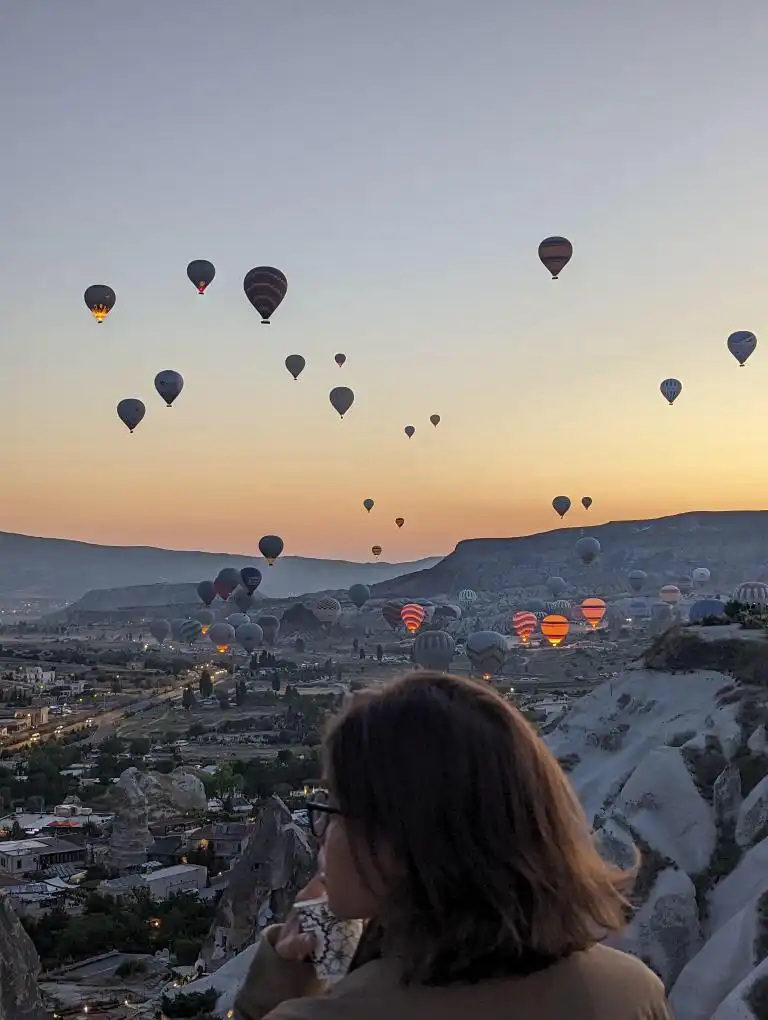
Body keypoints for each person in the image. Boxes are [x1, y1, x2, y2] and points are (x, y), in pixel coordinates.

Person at [235, 671, 671, 1020]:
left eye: (335, 806)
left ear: (402, 841)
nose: (323, 831)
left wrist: (281, 980)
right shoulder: (631, 993)